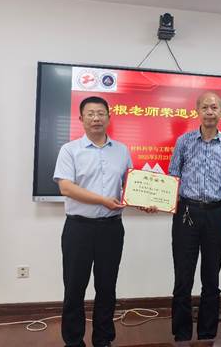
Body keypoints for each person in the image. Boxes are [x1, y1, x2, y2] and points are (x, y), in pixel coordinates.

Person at [53, 96, 130, 347]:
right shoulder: (69, 150)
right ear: (81, 118)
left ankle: (103, 339)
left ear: (109, 117)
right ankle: (73, 341)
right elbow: (66, 187)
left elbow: (130, 186)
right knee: (74, 288)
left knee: (107, 287)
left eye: (100, 113)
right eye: (90, 114)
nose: (96, 118)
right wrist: (102, 200)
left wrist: (146, 202)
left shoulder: (122, 150)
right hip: (79, 228)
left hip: (111, 228)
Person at [168, 91, 221, 341]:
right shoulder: (184, 141)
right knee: (183, 278)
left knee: (211, 278)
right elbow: (173, 176)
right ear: (197, 111)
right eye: (205, 107)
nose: (210, 112)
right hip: (186, 213)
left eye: (214, 108)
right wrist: (160, 201)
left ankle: (207, 335)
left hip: (215, 215)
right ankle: (182, 335)